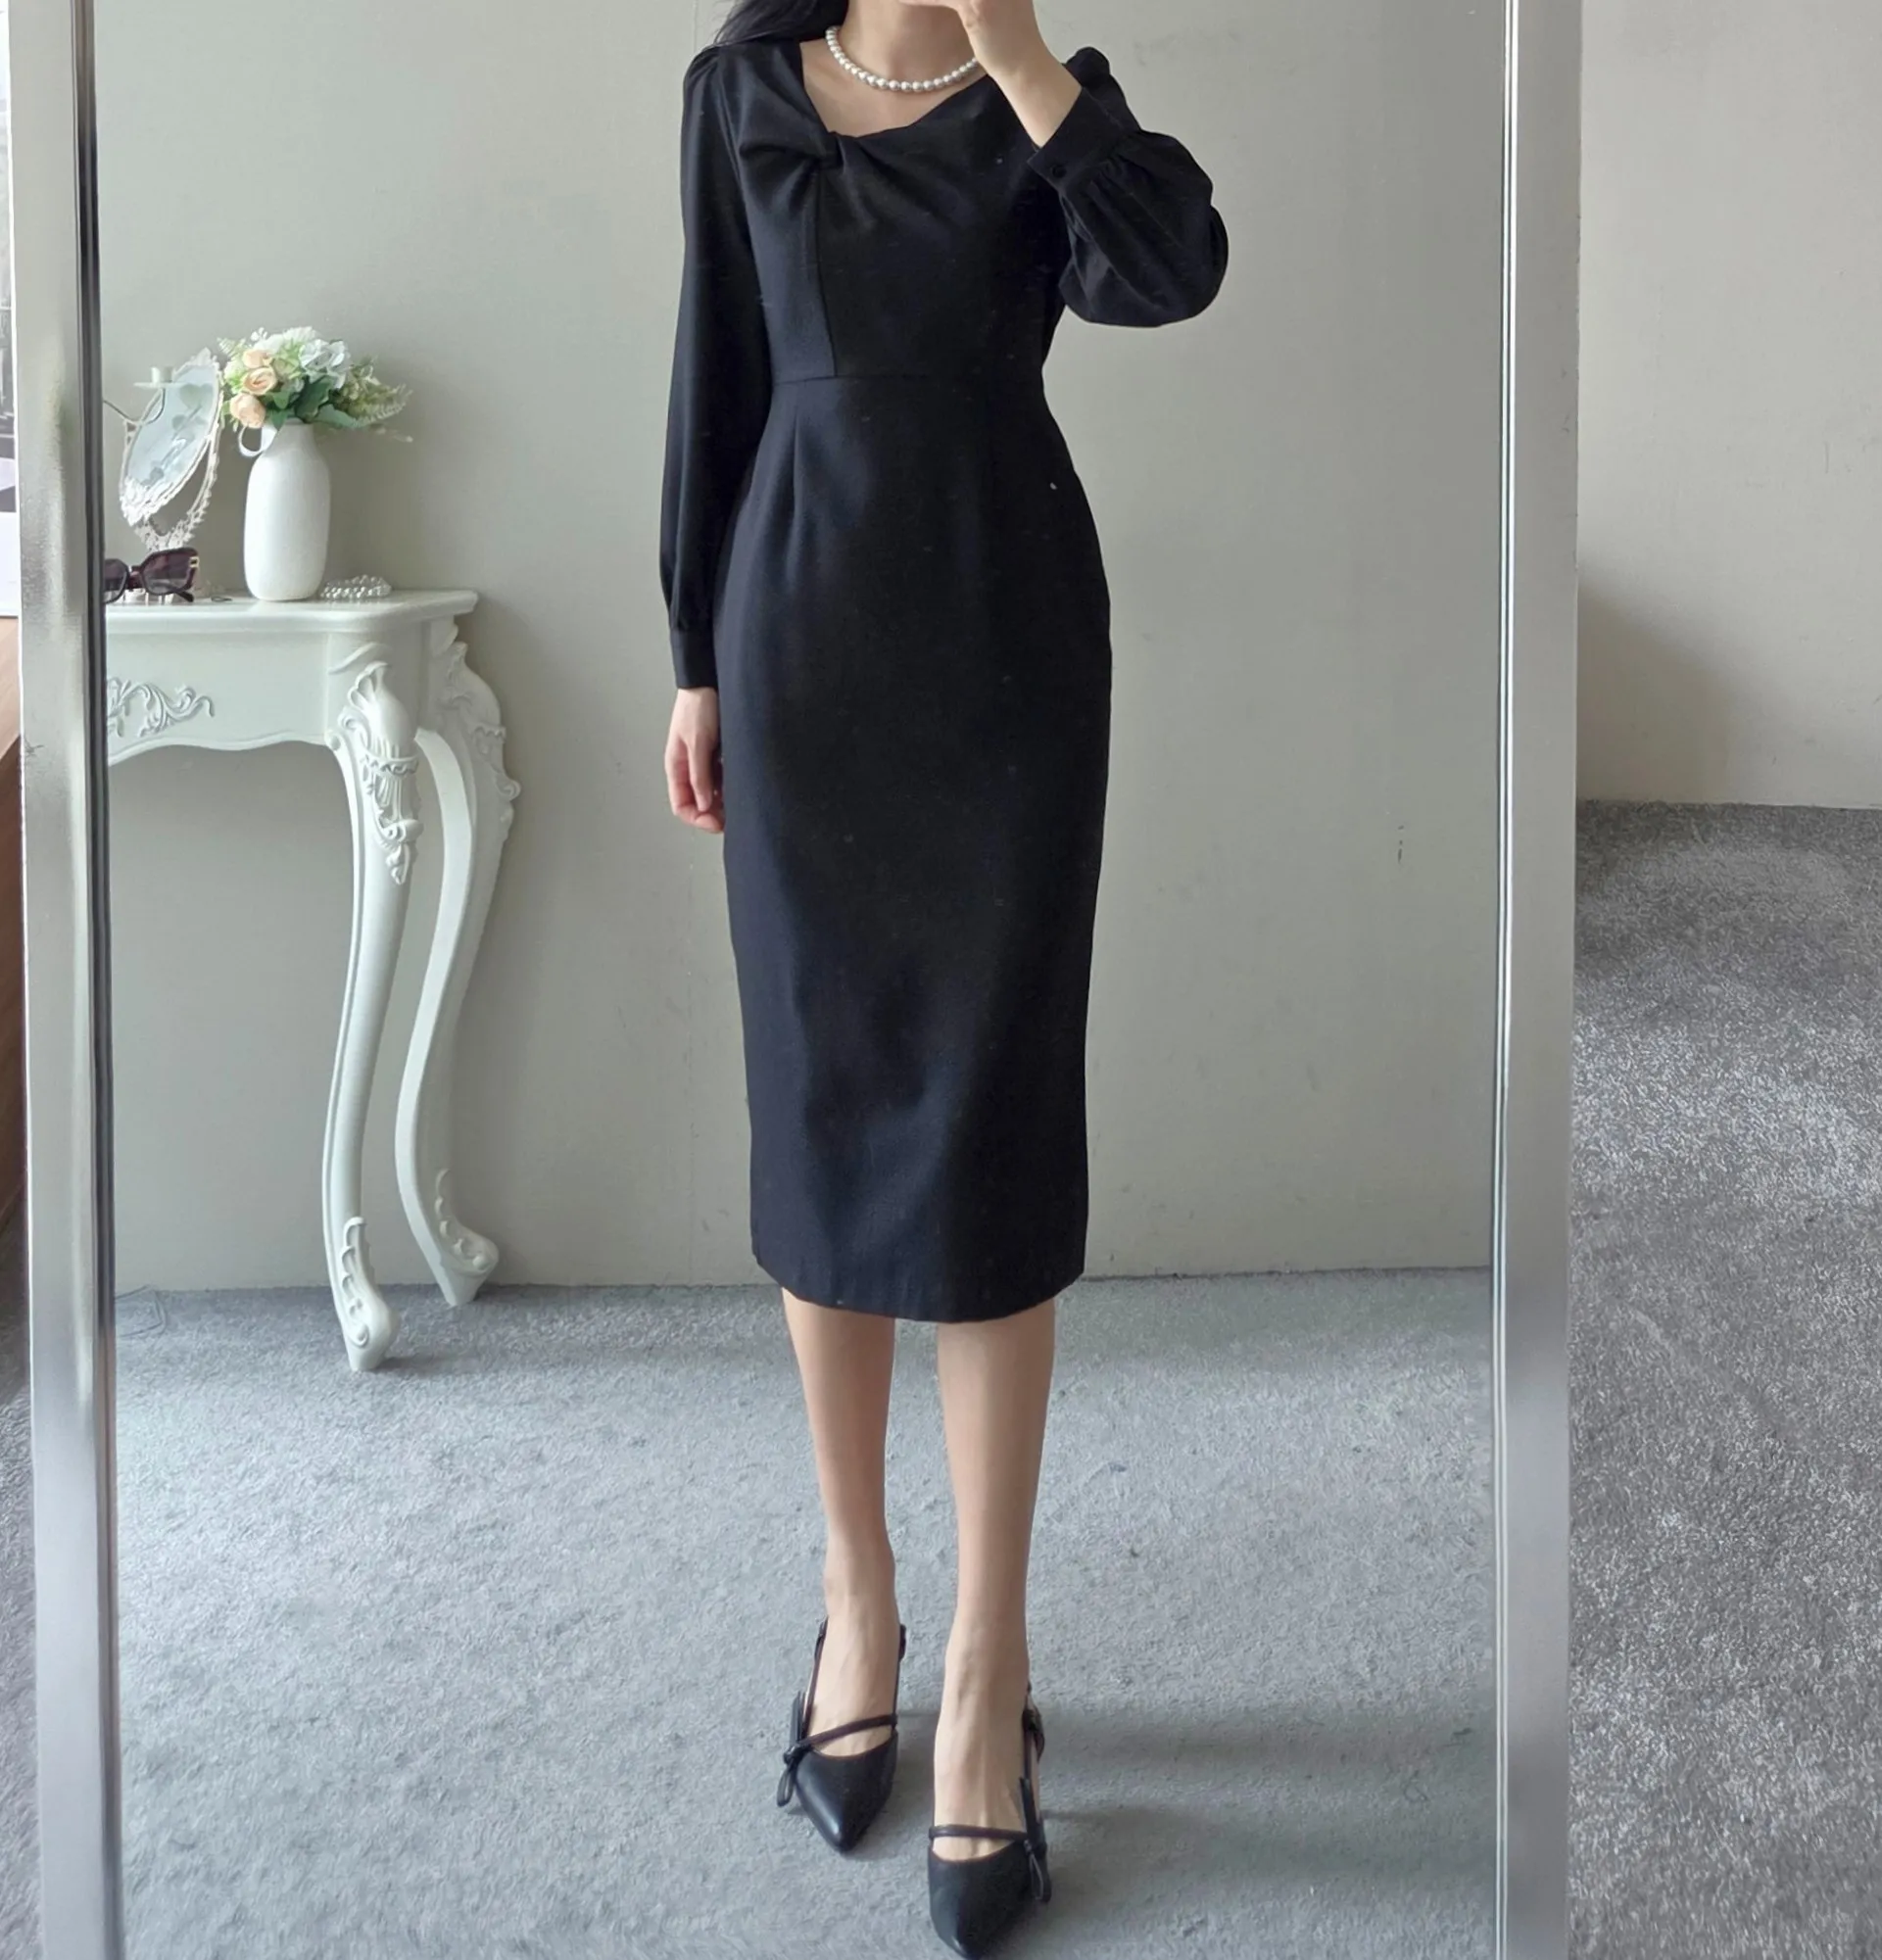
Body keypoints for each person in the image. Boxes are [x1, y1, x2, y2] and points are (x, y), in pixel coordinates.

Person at [658, 1, 1227, 1949]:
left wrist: (1018, 49)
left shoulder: (1051, 106)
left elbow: (1172, 269)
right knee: (822, 1118)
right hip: (797, 641)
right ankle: (860, 1601)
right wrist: (692, 656)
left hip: (1006, 653)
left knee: (986, 1143)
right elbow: (717, 374)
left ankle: (988, 1662)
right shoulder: (736, 91)